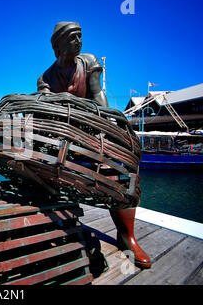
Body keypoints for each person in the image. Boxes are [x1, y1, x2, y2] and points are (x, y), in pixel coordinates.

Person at [37, 21, 152, 269]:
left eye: (80, 36)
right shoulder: (45, 78)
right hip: (62, 138)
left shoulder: (88, 62)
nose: (78, 41)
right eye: (71, 37)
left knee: (120, 173)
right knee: (39, 166)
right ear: (57, 46)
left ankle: (126, 236)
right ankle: (48, 223)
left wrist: (108, 126)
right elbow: (45, 111)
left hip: (92, 134)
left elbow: (98, 96)